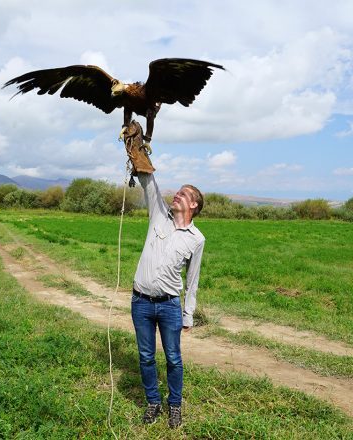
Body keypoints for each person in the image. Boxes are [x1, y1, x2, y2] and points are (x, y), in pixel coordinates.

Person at [123, 121, 205, 429]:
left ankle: (174, 406)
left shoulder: (197, 239)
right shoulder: (159, 214)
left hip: (170, 305)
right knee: (145, 357)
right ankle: (153, 403)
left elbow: (193, 281)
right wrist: (135, 148)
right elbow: (149, 181)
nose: (177, 195)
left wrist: (188, 314)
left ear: (193, 205)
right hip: (141, 302)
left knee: (173, 358)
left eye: (184, 194)